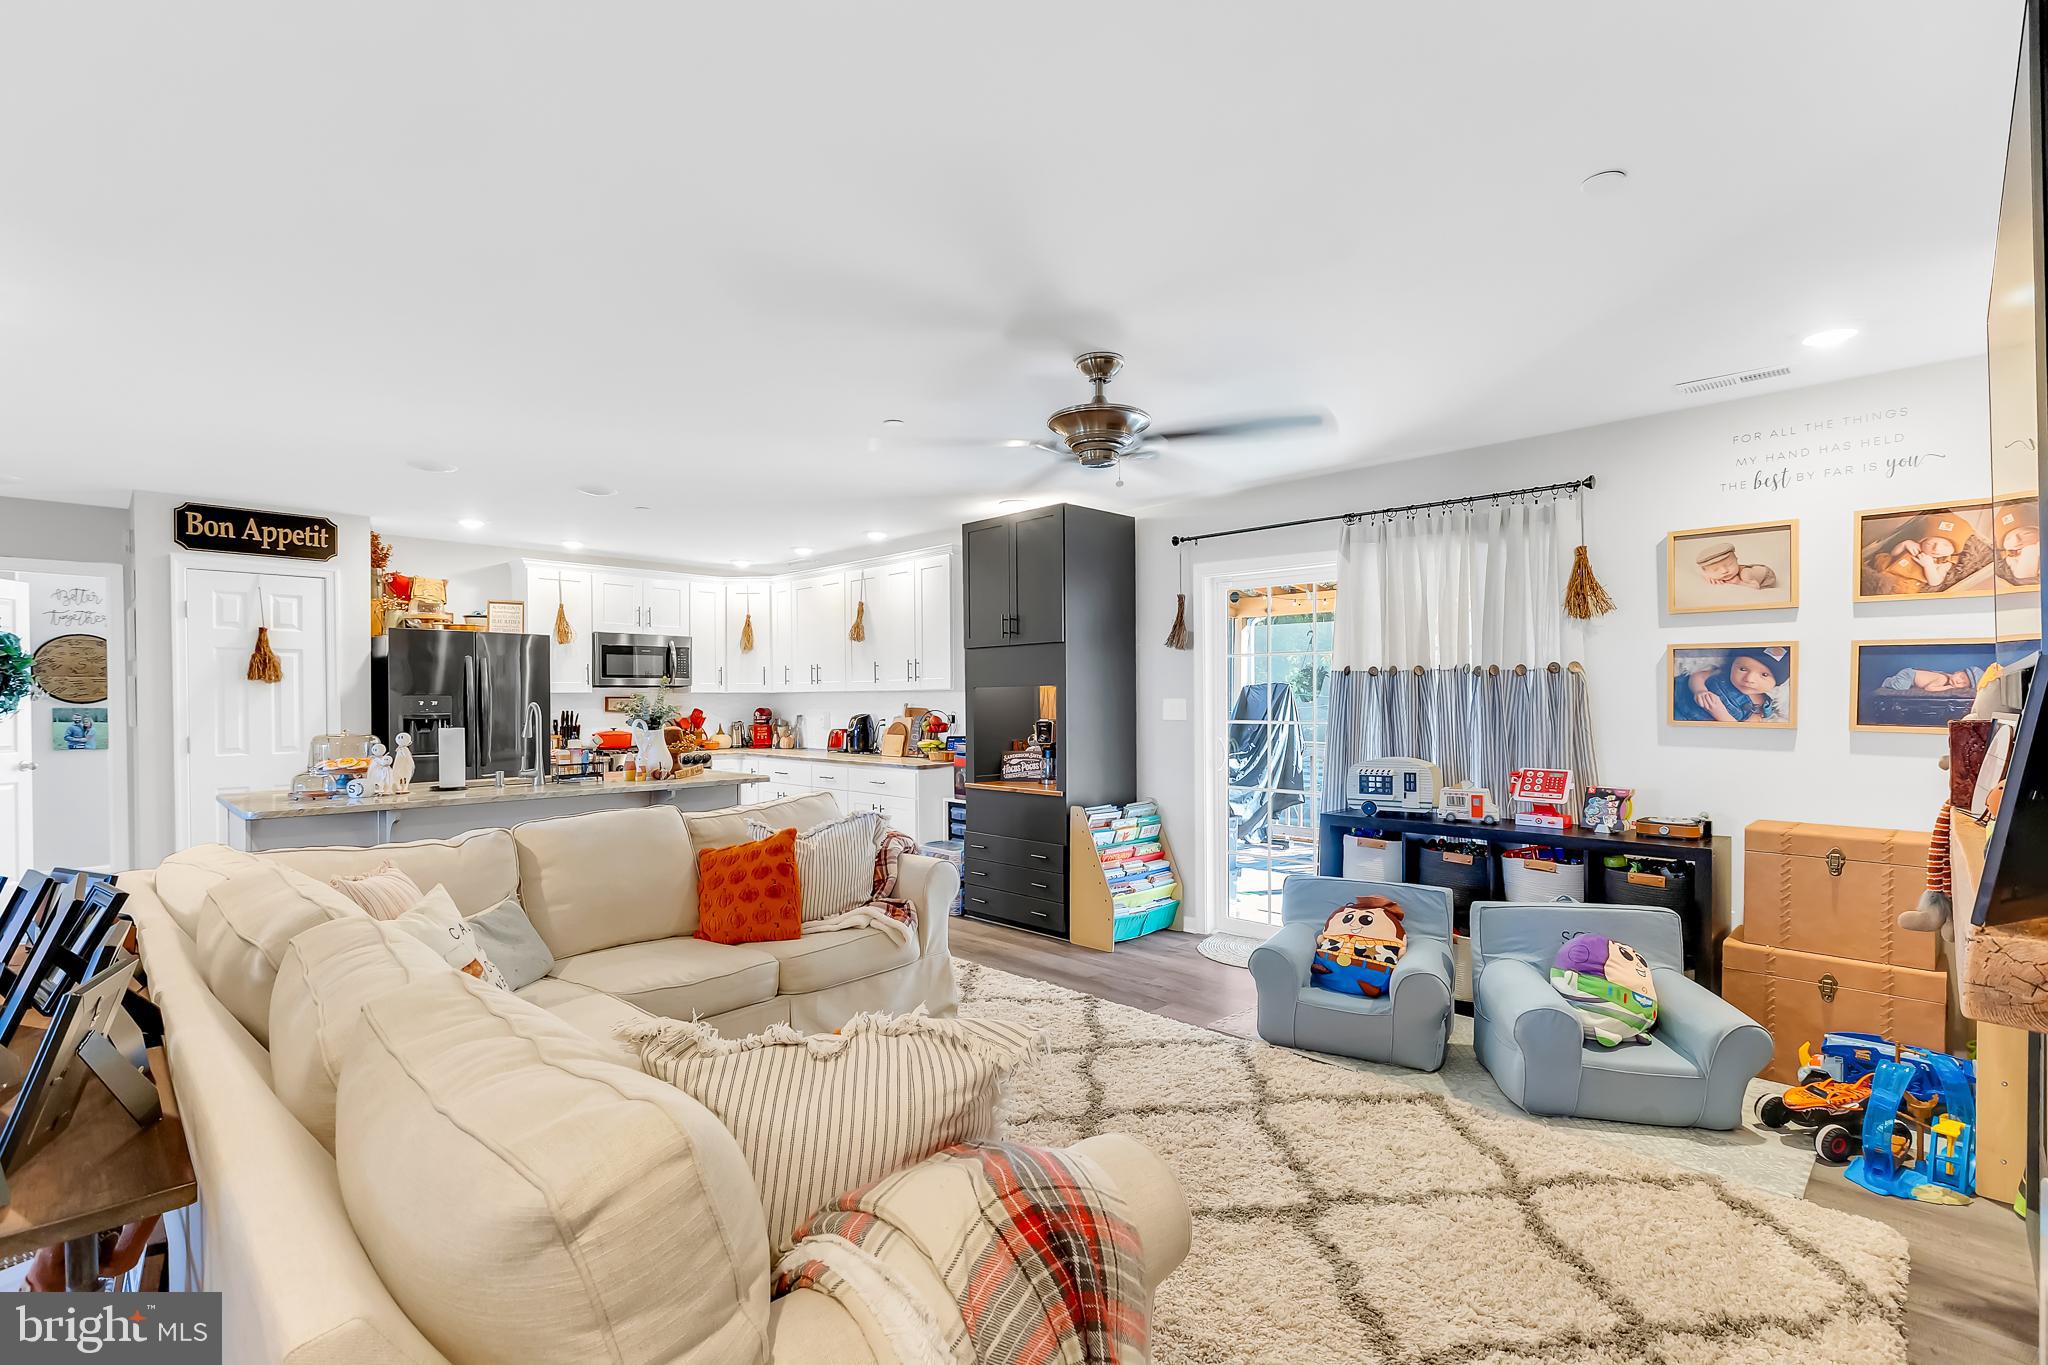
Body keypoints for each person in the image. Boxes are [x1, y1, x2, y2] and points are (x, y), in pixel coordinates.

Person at [1673, 646, 1790, 723]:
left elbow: (1741, 731)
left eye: (1764, 675)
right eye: (1743, 669)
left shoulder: (1760, 707)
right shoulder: (1723, 674)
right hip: (1677, 700)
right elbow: (1698, 676)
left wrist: (1719, 712)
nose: (1749, 679)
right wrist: (1699, 690)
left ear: (1777, 683)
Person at [1693, 540, 1778, 590]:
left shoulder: (1745, 574)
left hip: (1766, 577)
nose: (1724, 571)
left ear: (1737, 560)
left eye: (1730, 564)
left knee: (1746, 573)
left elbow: (1755, 587)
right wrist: (1707, 575)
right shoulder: (1707, 571)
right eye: (1715, 570)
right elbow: (1699, 570)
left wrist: (1739, 582)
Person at [1994, 499, 2040, 587]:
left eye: (2026, 533)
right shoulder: (2010, 562)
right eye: (2008, 539)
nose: (2016, 541)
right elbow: (2023, 578)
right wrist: (2030, 551)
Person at [1877, 664, 1983, 694]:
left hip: (1912, 675)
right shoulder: (1942, 679)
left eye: (1963, 683)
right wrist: (1949, 687)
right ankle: (1889, 681)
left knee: (1906, 685)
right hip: (1909, 675)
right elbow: (1929, 688)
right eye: (1961, 676)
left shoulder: (1946, 676)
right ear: (1957, 672)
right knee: (1901, 687)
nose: (1959, 681)